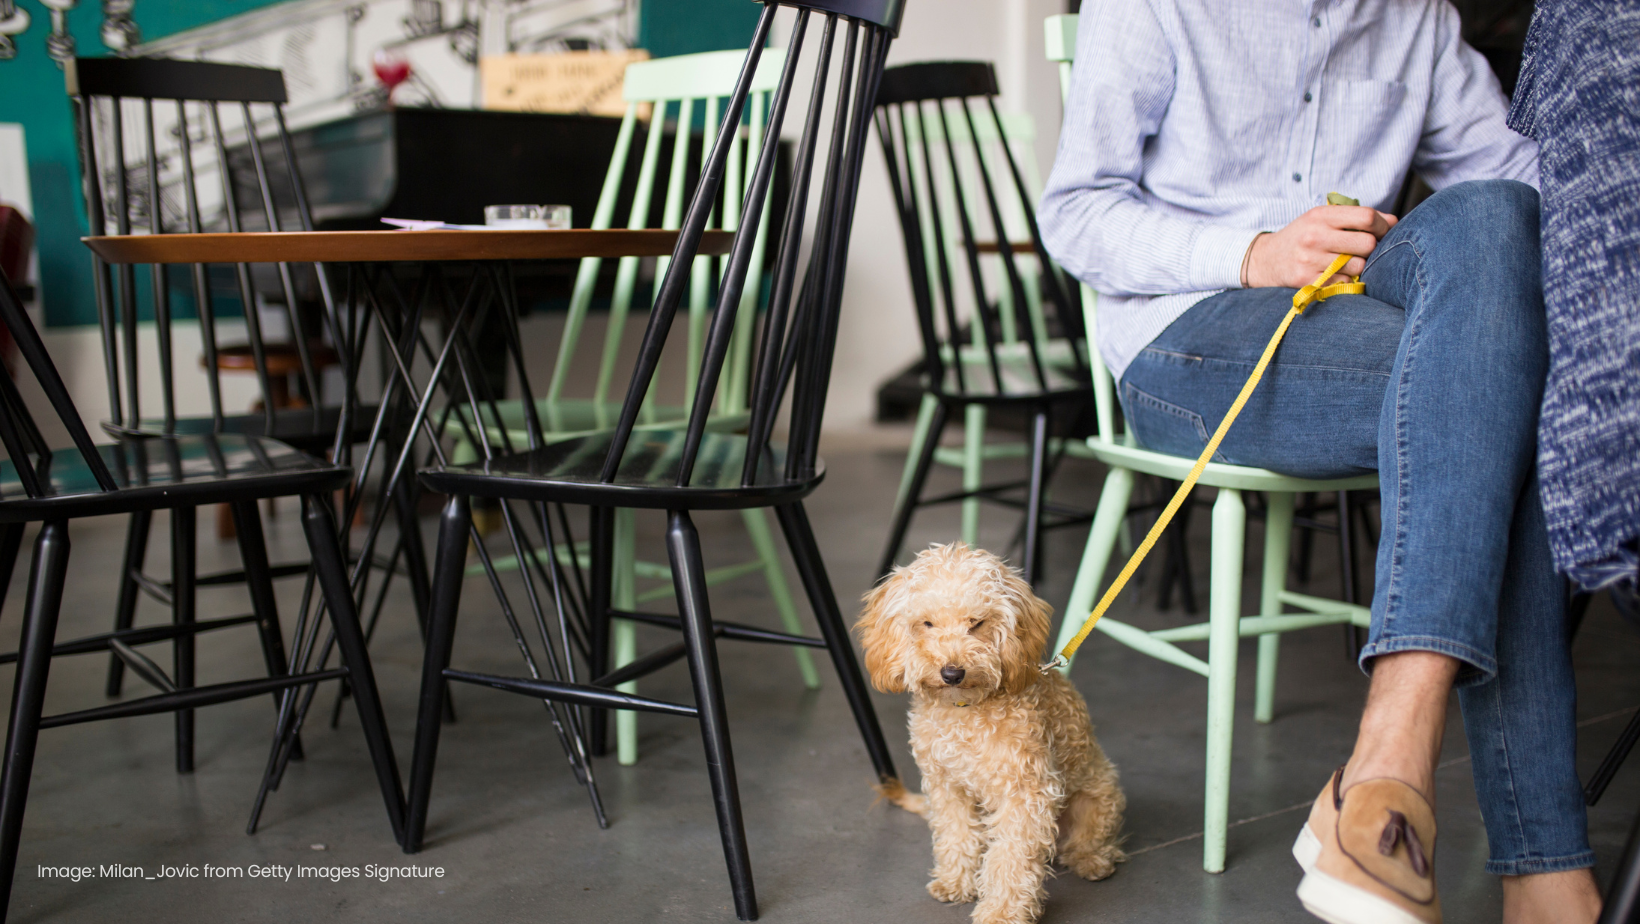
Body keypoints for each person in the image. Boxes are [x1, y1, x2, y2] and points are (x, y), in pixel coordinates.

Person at [1038, 3, 1600, 923]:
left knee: (1497, 214)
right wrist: (1252, 253)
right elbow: (1076, 212)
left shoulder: (1414, 14)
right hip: (1186, 327)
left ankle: (1388, 762)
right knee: (1510, 388)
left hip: (1358, 312)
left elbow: (1514, 173)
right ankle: (1542, 869)